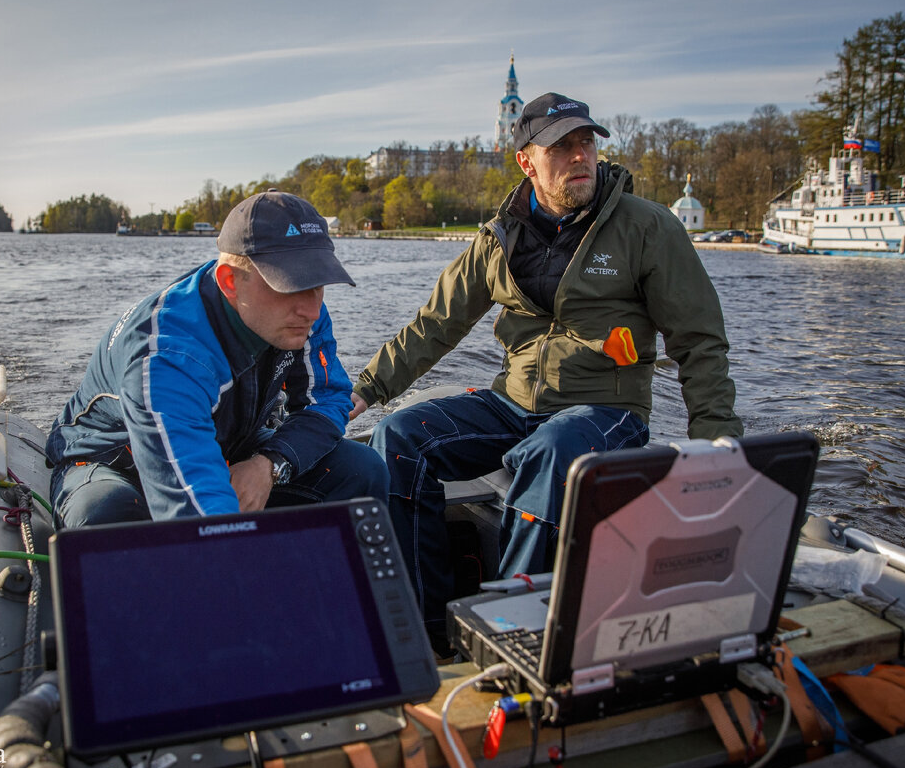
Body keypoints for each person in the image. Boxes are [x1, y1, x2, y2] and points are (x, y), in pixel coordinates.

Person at [349, 92, 743, 641]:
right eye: (561, 147)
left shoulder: (646, 228)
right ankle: (427, 629)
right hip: (512, 404)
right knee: (398, 438)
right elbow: (435, 324)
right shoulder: (498, 238)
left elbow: (699, 342)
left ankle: (506, 634)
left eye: (587, 143)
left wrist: (716, 448)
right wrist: (365, 390)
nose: (581, 156)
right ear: (526, 161)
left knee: (551, 450)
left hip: (605, 410)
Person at [46, 191, 387, 528]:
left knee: (363, 469)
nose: (311, 310)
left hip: (232, 443)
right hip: (116, 460)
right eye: (291, 286)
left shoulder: (303, 316)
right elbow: (199, 514)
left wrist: (270, 464)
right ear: (230, 282)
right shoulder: (169, 354)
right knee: (106, 520)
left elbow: (328, 400)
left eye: (318, 284)